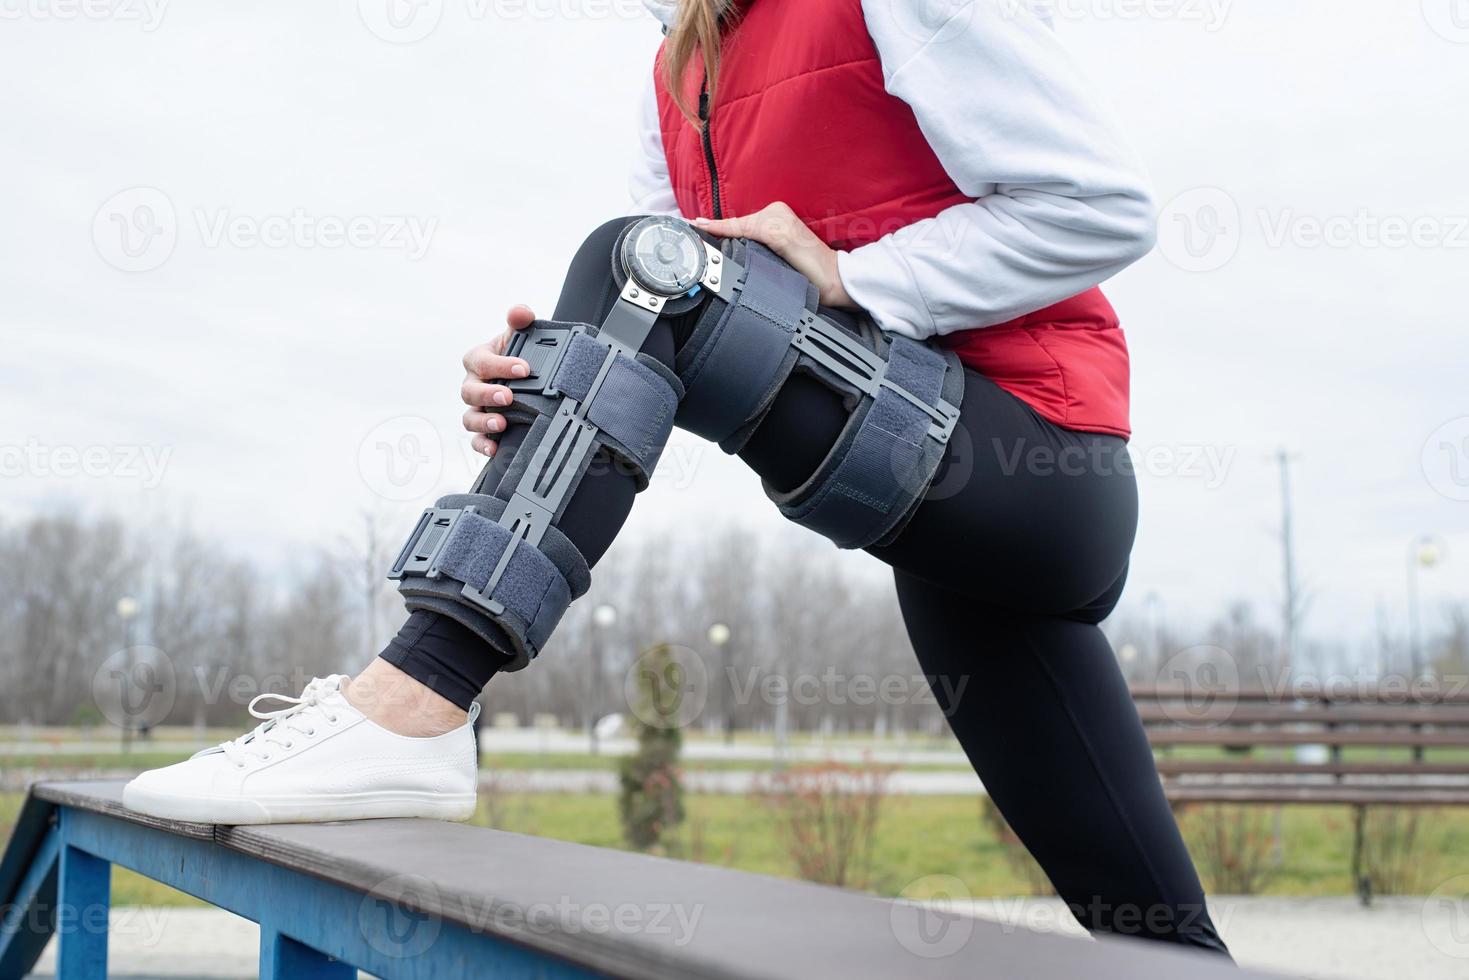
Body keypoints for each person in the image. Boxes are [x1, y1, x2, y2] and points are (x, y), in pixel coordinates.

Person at [125, 0, 1229, 954]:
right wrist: (543, 382)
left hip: (1034, 462)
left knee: (644, 270)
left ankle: (414, 704)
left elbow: (1099, 202)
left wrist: (854, 275)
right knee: (1151, 938)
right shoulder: (676, 60)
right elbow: (669, 329)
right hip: (941, 524)